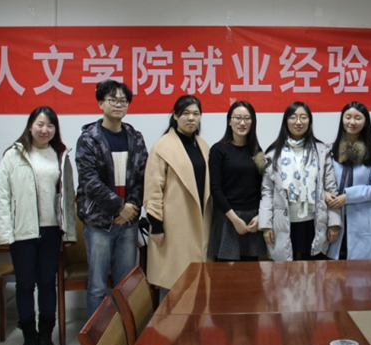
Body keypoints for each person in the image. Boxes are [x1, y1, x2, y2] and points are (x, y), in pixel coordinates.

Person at [0, 106, 76, 345]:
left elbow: (68, 196)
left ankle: (46, 335)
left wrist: (69, 232)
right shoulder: (14, 155)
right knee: (25, 285)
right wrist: (5, 233)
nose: (44, 130)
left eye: (50, 126)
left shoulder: (60, 155)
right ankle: (29, 336)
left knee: (47, 284)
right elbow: (2, 196)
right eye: (40, 124)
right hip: (23, 232)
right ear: (30, 126)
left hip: (52, 231)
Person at [76, 80, 147, 316]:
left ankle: (123, 333)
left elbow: (142, 176)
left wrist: (132, 206)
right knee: (97, 286)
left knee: (125, 285)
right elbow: (89, 181)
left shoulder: (135, 137)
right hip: (99, 223)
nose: (118, 104)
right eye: (112, 100)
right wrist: (119, 207)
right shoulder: (89, 138)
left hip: (128, 223)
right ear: (100, 103)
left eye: (123, 101)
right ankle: (97, 335)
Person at [145, 95, 213, 294]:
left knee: (198, 285)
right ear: (175, 116)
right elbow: (153, 191)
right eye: (186, 113)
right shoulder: (162, 147)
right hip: (173, 226)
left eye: (196, 114)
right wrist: (156, 226)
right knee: (173, 283)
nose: (191, 118)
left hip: (200, 222)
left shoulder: (203, 145)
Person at [259, 102, 340, 261]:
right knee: (287, 272)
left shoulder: (321, 151)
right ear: (286, 121)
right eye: (293, 117)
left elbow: (331, 189)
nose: (298, 122)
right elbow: (267, 192)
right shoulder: (273, 153)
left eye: (303, 117)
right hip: (283, 223)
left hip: (314, 222)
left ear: (309, 121)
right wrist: (266, 225)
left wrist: (334, 223)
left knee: (314, 271)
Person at [326, 101, 371, 260]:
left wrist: (348, 196)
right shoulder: (331, 150)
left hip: (365, 222)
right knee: (336, 271)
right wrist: (324, 193)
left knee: (364, 272)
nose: (352, 122)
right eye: (348, 117)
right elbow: (323, 182)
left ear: (365, 122)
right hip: (336, 220)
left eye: (357, 118)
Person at [208, 101, 266, 261]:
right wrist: (234, 220)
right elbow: (215, 189)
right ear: (229, 121)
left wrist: (260, 216)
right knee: (225, 272)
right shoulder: (218, 150)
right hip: (227, 218)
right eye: (237, 118)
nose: (242, 123)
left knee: (251, 271)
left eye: (247, 118)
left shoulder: (257, 150)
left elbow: (263, 188)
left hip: (252, 219)